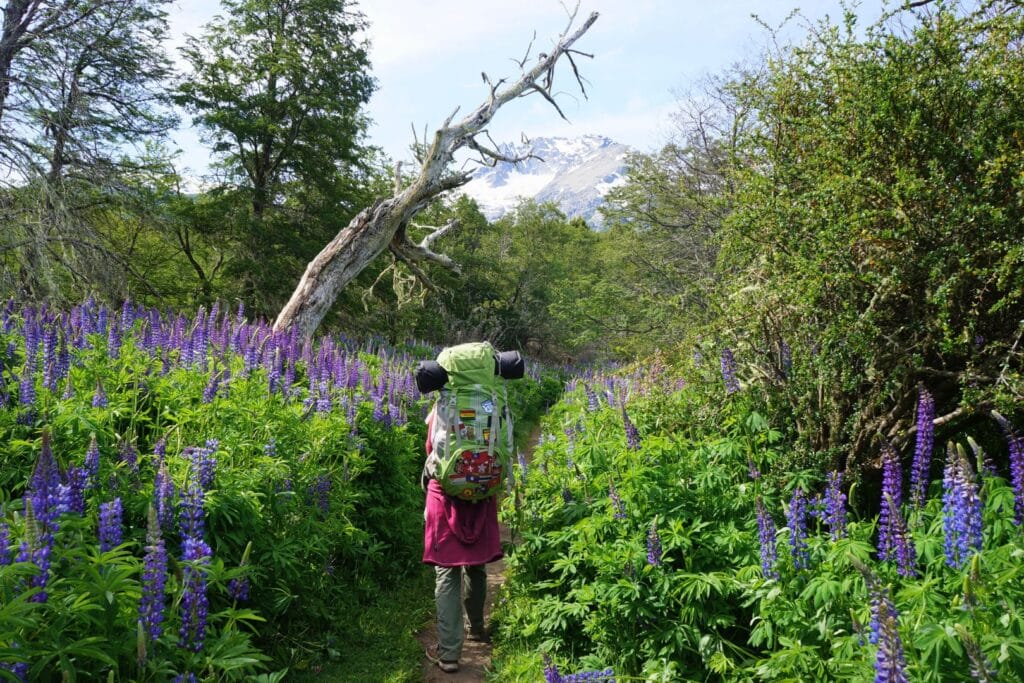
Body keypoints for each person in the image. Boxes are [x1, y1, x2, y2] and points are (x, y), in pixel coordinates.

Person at [422, 401, 503, 674]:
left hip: (444, 496)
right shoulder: (490, 404)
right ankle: (476, 629)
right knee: (476, 564)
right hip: (480, 493)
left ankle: (449, 654)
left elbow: (431, 450)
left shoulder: (441, 408)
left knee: (446, 572)